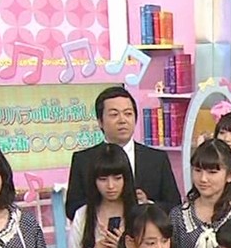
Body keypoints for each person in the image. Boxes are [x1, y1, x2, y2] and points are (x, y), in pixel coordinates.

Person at [66, 86, 182, 219]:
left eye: (128, 114)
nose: (122, 120)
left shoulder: (156, 159)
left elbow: (174, 206)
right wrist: (105, 205)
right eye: (114, 115)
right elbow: (72, 209)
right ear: (100, 122)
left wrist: (149, 205)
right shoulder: (83, 160)